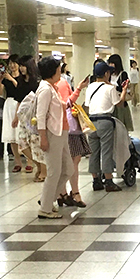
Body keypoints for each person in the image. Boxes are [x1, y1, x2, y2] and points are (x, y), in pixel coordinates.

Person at [35, 56, 75, 219]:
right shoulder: (45, 89)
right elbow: (40, 115)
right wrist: (43, 137)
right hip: (52, 134)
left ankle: (47, 200)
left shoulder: (53, 87)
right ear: (52, 71)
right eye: (59, 69)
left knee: (68, 169)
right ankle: (45, 208)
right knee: (54, 171)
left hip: (61, 133)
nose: (61, 71)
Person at [84, 62, 129, 192]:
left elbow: (87, 104)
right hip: (105, 121)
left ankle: (96, 181)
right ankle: (108, 181)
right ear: (106, 74)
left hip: (91, 122)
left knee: (93, 152)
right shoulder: (110, 88)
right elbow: (119, 104)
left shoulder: (90, 87)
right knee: (106, 151)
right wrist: (124, 91)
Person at [55, 69, 90, 208]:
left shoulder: (48, 86)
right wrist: (79, 89)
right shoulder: (61, 83)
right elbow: (67, 103)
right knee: (73, 160)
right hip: (69, 127)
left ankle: (62, 193)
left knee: (65, 162)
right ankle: (74, 193)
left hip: (60, 127)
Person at [15, 55, 42, 181]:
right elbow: (19, 100)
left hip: (34, 116)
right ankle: (38, 165)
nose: (21, 68)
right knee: (22, 142)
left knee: (35, 143)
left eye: (23, 65)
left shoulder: (37, 81)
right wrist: (16, 116)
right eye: (20, 65)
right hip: (23, 116)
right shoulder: (20, 81)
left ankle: (43, 169)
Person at [2, 55, 22, 167]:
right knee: (11, 135)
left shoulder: (22, 78)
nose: (12, 66)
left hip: (19, 104)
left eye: (14, 63)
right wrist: (0, 80)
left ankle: (30, 161)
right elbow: (0, 92)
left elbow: (20, 89)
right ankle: (17, 162)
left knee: (21, 134)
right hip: (9, 104)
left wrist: (12, 79)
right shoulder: (6, 78)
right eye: (10, 63)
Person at [107, 54, 134, 132]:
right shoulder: (108, 74)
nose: (110, 65)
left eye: (112, 63)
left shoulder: (123, 74)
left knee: (121, 125)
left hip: (121, 102)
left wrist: (113, 86)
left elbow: (124, 88)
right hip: (111, 103)